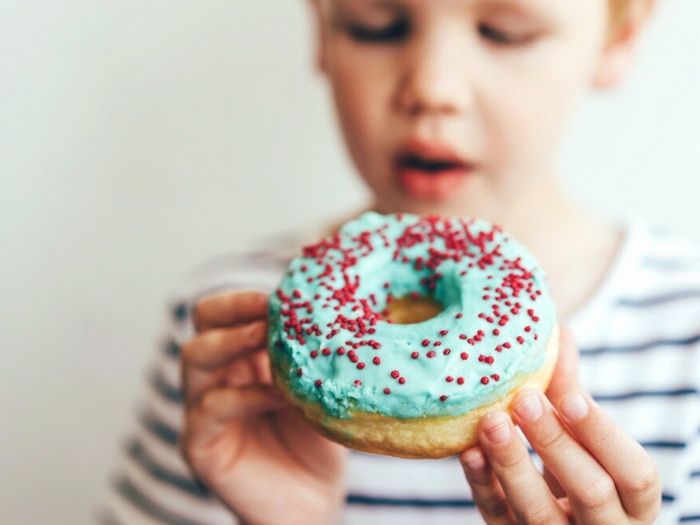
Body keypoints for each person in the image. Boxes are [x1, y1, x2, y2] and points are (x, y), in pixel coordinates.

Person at [98, 0, 700, 523]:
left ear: (619, 37)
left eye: (504, 32)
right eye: (377, 26)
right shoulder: (232, 344)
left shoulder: (687, 328)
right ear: (321, 31)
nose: (432, 87)